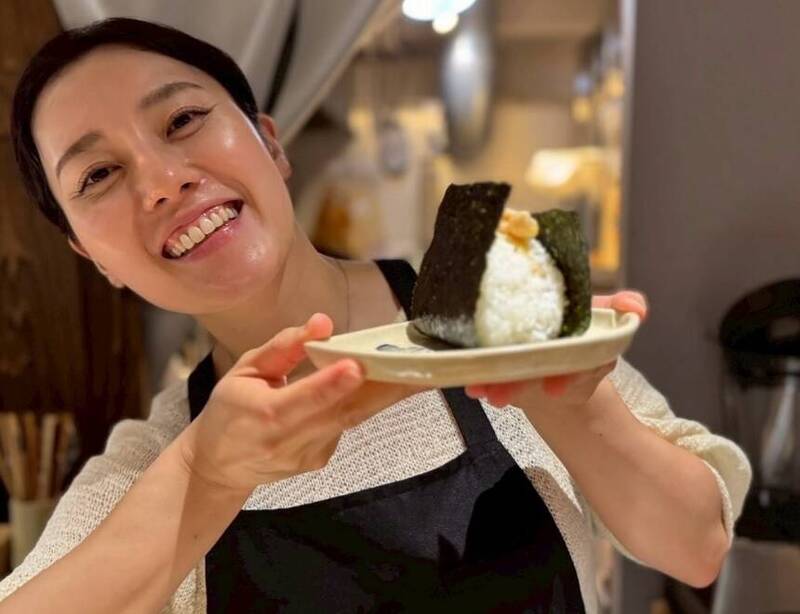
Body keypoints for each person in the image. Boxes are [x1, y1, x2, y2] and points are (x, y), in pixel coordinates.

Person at [0, 17, 750, 614]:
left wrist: (574, 407)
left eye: (183, 119)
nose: (162, 180)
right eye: (99, 174)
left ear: (270, 143)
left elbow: (697, 548)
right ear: (90, 255)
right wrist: (206, 474)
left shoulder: (486, 314)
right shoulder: (158, 457)